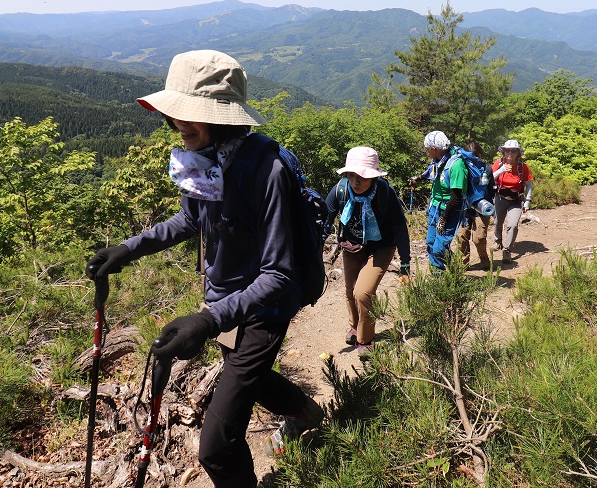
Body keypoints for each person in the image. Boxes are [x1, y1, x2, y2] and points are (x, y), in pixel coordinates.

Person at [84, 50, 322, 486]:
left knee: (215, 446)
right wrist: (126, 249)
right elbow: (190, 219)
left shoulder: (266, 170)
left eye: (191, 115)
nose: (179, 125)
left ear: (225, 118)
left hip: (264, 311)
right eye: (176, 115)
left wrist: (208, 321)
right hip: (225, 303)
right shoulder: (209, 160)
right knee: (250, 374)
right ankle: (306, 411)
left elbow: (279, 274)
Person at [325, 147, 411, 357]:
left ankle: (365, 339)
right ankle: (354, 326)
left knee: (362, 292)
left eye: (362, 176)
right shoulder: (340, 190)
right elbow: (325, 221)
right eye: (351, 175)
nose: (356, 181)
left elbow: (399, 227)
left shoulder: (384, 192)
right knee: (350, 290)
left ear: (372, 177)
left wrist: (405, 265)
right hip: (352, 246)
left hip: (382, 247)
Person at [410, 131, 468, 273]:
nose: (427, 152)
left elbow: (456, 197)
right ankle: (449, 271)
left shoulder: (456, 165)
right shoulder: (440, 160)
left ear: (434, 149)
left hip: (450, 210)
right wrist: (419, 178)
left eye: (427, 149)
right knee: (430, 242)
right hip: (435, 207)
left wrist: (444, 218)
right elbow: (433, 172)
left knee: (438, 248)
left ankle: (442, 278)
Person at [492, 139, 533, 264]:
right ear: (503, 151)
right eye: (507, 150)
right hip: (500, 197)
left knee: (513, 225)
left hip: (515, 199)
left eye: (513, 151)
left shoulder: (523, 167)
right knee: (498, 222)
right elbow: (490, 179)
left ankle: (507, 250)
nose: (510, 153)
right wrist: (502, 170)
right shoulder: (498, 163)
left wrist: (527, 201)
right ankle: (497, 241)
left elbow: (529, 185)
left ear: (518, 152)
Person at [454, 141, 492, 269]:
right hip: (464, 208)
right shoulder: (461, 167)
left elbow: (491, 190)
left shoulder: (486, 169)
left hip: (481, 207)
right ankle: (463, 263)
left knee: (479, 238)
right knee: (461, 236)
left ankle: (484, 258)